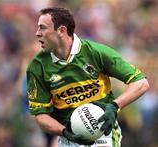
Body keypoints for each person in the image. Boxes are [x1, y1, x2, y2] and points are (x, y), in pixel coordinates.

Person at [26, 7, 149, 147]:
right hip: (69, 139)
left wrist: (114, 106)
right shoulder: (37, 67)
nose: (37, 33)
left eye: (42, 28)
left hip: (104, 134)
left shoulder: (96, 52)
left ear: (61, 31)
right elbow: (41, 116)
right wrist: (64, 132)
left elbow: (141, 83)